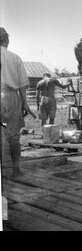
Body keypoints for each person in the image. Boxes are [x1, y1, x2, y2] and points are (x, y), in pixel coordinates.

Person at [0, 27, 30, 178]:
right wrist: (25, 103)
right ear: (7, 40)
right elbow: (22, 84)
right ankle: (16, 169)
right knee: (13, 137)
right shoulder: (15, 57)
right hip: (10, 96)